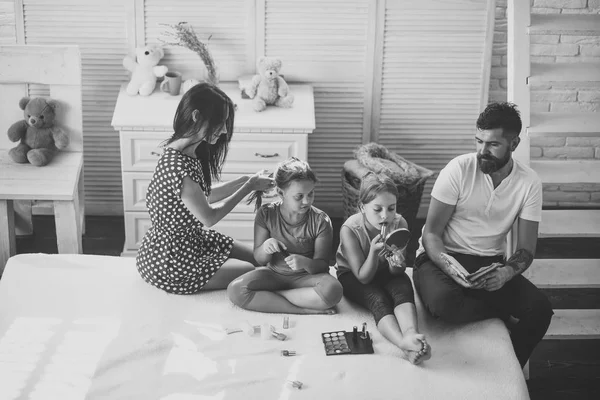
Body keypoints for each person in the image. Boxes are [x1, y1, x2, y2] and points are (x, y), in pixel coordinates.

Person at [413, 102, 553, 368]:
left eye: (492, 144)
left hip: (488, 262)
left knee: (540, 310)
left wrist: (505, 273)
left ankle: (506, 369)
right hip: (439, 256)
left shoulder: (529, 182)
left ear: (514, 144)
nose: (482, 151)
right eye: (479, 141)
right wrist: (451, 268)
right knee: (445, 304)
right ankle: (501, 314)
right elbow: (431, 233)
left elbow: (526, 249)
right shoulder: (458, 169)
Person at [136, 83, 274, 294]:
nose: (225, 130)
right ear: (196, 116)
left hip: (192, 242)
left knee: (258, 257)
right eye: (220, 122)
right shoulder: (177, 166)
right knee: (251, 270)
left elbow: (203, 197)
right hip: (172, 261)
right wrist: (248, 187)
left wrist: (246, 179)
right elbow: (209, 218)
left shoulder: (188, 153)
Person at [335, 173, 431, 364]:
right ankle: (402, 342)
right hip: (353, 275)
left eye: (391, 208)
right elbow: (363, 277)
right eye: (377, 209)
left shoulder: (399, 224)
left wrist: (397, 263)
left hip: (384, 271)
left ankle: (411, 334)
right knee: (377, 298)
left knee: (402, 286)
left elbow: (397, 272)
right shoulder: (350, 229)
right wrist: (373, 252)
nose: (385, 216)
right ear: (362, 207)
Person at [227, 157, 343, 314]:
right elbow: (260, 259)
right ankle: (303, 310)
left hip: (306, 279)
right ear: (281, 192)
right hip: (274, 275)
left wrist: (305, 263)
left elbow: (322, 265)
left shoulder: (321, 220)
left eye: (310, 194)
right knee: (235, 289)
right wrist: (266, 248)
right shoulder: (266, 214)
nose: (306, 201)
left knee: (334, 289)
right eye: (299, 196)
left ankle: (274, 297)